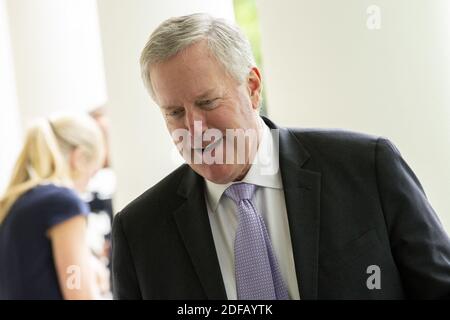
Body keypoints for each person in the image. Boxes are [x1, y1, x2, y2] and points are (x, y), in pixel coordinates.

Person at [112, 13, 450, 299]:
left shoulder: (366, 168)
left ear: (253, 87)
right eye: (174, 112)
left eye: (207, 102)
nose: (195, 129)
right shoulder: (140, 232)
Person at [0, 113, 110, 299]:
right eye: (92, 175)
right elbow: (77, 291)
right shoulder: (63, 203)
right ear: (79, 157)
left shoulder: (13, 205)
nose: (87, 187)